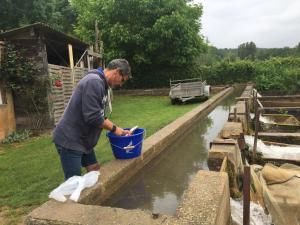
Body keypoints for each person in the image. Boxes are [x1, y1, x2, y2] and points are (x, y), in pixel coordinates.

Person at [53, 59, 132, 180]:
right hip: (70, 139)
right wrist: (115, 130)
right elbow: (93, 117)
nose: (120, 85)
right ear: (117, 72)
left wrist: (117, 129)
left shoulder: (101, 83)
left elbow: (98, 113)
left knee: (94, 171)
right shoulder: (94, 82)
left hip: (84, 140)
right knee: (73, 183)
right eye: (122, 80)